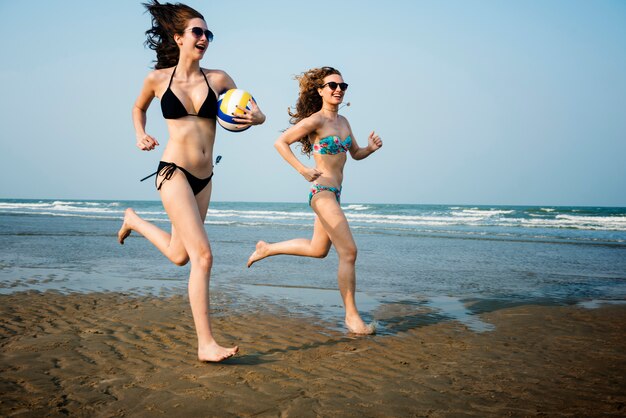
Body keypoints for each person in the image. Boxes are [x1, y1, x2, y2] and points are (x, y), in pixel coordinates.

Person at [117, 0, 265, 362]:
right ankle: (206, 344)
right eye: (197, 32)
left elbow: (246, 112)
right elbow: (137, 108)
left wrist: (259, 118)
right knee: (203, 257)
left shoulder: (219, 79)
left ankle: (133, 220)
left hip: (204, 177)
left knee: (181, 255)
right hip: (173, 172)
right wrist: (140, 133)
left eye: (207, 33)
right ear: (178, 37)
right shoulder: (157, 80)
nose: (204, 38)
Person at [247, 66, 382, 335]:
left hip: (336, 194)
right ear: (320, 90)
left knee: (318, 250)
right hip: (321, 192)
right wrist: (303, 170)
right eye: (332, 85)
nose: (338, 90)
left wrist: (369, 148)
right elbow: (281, 142)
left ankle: (267, 249)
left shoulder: (343, 122)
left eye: (343, 87)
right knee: (349, 252)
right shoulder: (316, 121)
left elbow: (354, 153)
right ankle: (352, 316)